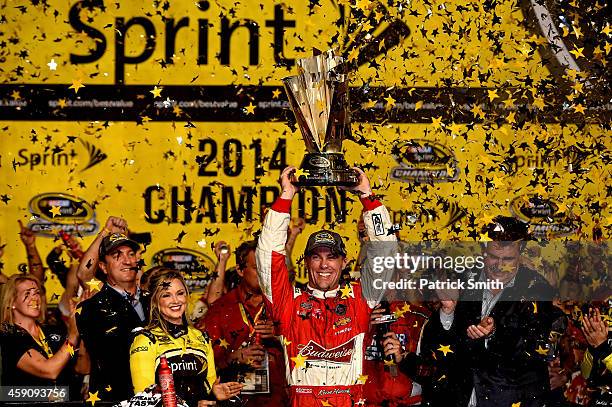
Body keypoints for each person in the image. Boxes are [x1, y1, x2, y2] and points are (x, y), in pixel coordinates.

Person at [255, 166, 396, 407]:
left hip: (351, 400)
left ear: (344, 262)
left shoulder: (360, 298)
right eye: (316, 257)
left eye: (331, 257)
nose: (324, 265)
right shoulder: (288, 303)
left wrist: (367, 195)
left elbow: (385, 252)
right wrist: (286, 196)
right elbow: (268, 257)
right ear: (306, 261)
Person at [419, 216, 559, 407]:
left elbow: (534, 350)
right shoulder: (463, 279)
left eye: (508, 258)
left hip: (510, 400)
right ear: (484, 251)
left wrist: (494, 334)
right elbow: (436, 347)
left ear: (521, 254)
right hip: (461, 397)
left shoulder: (537, 289)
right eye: (493, 256)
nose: (499, 265)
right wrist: (447, 312)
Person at [130, 269, 243, 406]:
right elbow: (145, 400)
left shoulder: (201, 337)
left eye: (180, 293)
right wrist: (192, 405)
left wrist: (215, 393)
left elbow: (207, 390)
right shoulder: (146, 339)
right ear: (155, 300)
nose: (176, 300)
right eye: (166, 295)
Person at [203, 240, 288, 406]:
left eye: (268, 267)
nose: (265, 273)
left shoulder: (285, 305)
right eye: (257, 268)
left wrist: (281, 334)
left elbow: (309, 347)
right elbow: (205, 363)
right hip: (236, 401)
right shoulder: (220, 308)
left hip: (279, 401)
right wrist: (234, 357)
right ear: (240, 270)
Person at [76, 229, 148, 402]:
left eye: (131, 254)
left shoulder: (156, 301)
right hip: (114, 399)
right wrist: (105, 232)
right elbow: (109, 357)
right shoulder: (91, 308)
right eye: (117, 255)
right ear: (102, 266)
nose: (126, 260)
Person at [0, 274, 80, 387]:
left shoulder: (53, 330)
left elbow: (81, 368)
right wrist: (73, 334)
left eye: (37, 293)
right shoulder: (9, 337)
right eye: (27, 294)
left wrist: (84, 326)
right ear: (12, 302)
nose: (35, 298)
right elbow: (49, 371)